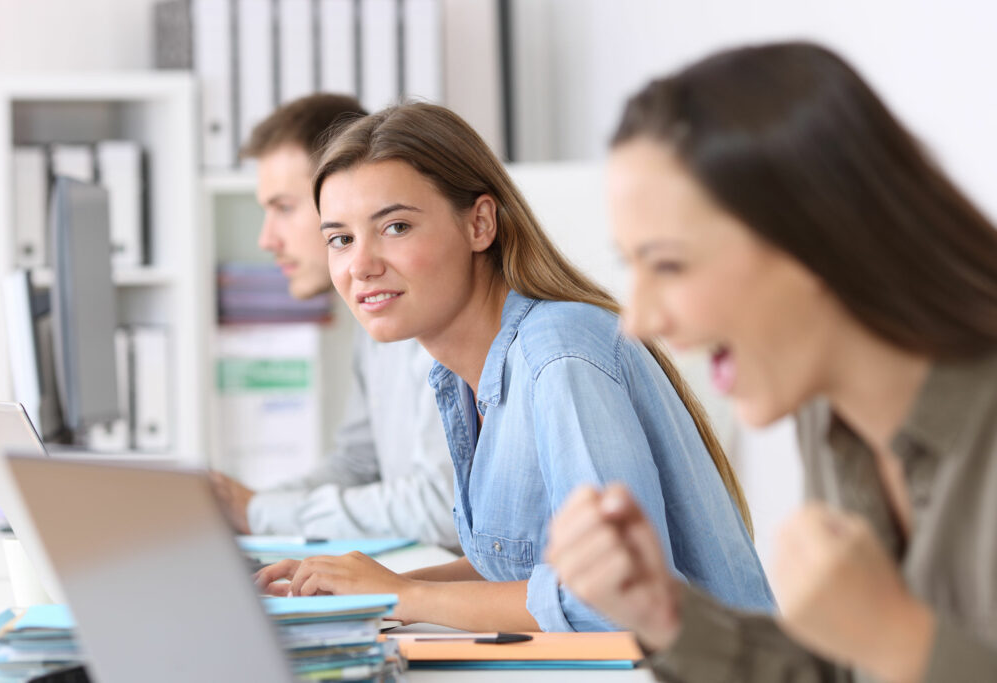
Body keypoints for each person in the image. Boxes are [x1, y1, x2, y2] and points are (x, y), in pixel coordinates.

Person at [545, 41, 997, 682]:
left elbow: (889, 651)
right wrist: (666, 613)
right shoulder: (829, 412)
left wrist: (900, 639)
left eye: (669, 264)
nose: (639, 321)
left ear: (820, 238)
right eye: (631, 264)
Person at [255, 102, 774, 632]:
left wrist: (403, 595)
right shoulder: (461, 376)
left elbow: (619, 602)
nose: (360, 265)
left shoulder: (557, 353)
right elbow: (517, 567)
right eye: (340, 239)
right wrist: (361, 585)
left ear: (480, 223)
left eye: (395, 227)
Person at [210, 93, 458, 549]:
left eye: (284, 208)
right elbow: (359, 464)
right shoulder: (377, 321)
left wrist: (260, 512)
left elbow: (445, 505)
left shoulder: (435, 320)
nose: (267, 239)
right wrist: (245, 507)